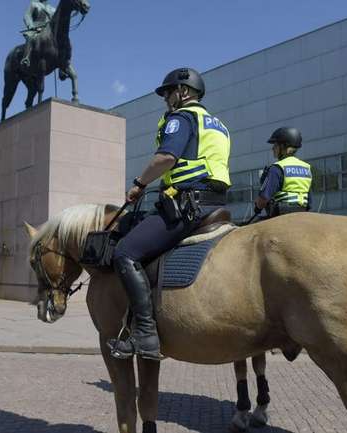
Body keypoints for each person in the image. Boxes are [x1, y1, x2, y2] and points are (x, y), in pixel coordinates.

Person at [108, 67, 231, 360]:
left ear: (183, 92)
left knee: (125, 252)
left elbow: (166, 158)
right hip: (216, 204)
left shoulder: (182, 118)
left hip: (189, 205)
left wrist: (139, 184)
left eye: (168, 93)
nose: (166, 99)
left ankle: (145, 334)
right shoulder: (218, 125)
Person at [254, 127, 312, 218]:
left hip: (281, 214)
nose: (272, 148)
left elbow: (263, 199)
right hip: (303, 213)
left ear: (283, 147)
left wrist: (257, 207)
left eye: (275, 145)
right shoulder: (306, 168)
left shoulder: (276, 168)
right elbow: (310, 201)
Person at [20, 0, 57, 67]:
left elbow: (57, 20)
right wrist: (31, 26)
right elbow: (27, 15)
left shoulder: (52, 9)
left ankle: (62, 64)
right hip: (36, 28)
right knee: (31, 37)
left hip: (49, 30)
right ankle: (26, 58)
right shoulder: (34, 4)